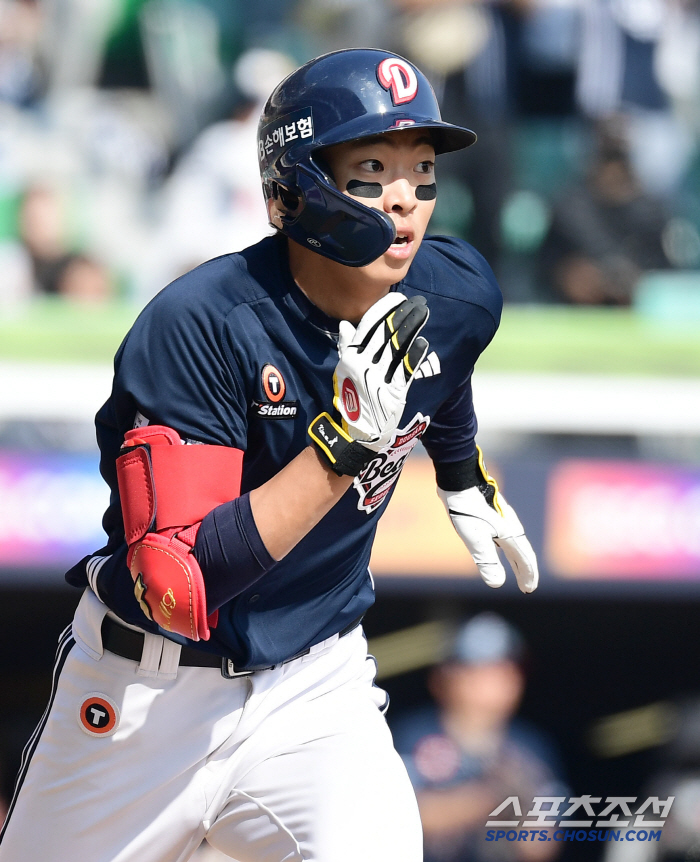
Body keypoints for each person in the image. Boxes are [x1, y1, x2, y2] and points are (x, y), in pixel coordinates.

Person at [0, 48, 539, 862]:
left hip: (314, 689)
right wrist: (345, 445)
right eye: (371, 168)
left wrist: (463, 472)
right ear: (298, 188)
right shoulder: (200, 323)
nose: (406, 197)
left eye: (421, 170)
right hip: (147, 695)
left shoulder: (455, 288)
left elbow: (440, 365)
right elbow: (176, 589)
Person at [393, 613, 565, 862]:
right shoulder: (413, 735)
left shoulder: (533, 747)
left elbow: (541, 846)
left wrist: (521, 811)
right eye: (478, 671)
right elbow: (400, 818)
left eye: (504, 671)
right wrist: (489, 799)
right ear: (445, 677)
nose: (492, 683)